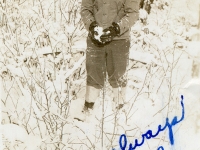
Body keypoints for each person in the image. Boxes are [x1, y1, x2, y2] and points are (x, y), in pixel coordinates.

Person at [75, 0, 140, 121]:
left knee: (118, 75)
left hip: (120, 39)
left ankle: (119, 111)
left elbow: (133, 14)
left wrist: (116, 29)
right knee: (93, 73)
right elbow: (85, 9)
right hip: (95, 39)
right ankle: (88, 108)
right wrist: (92, 26)